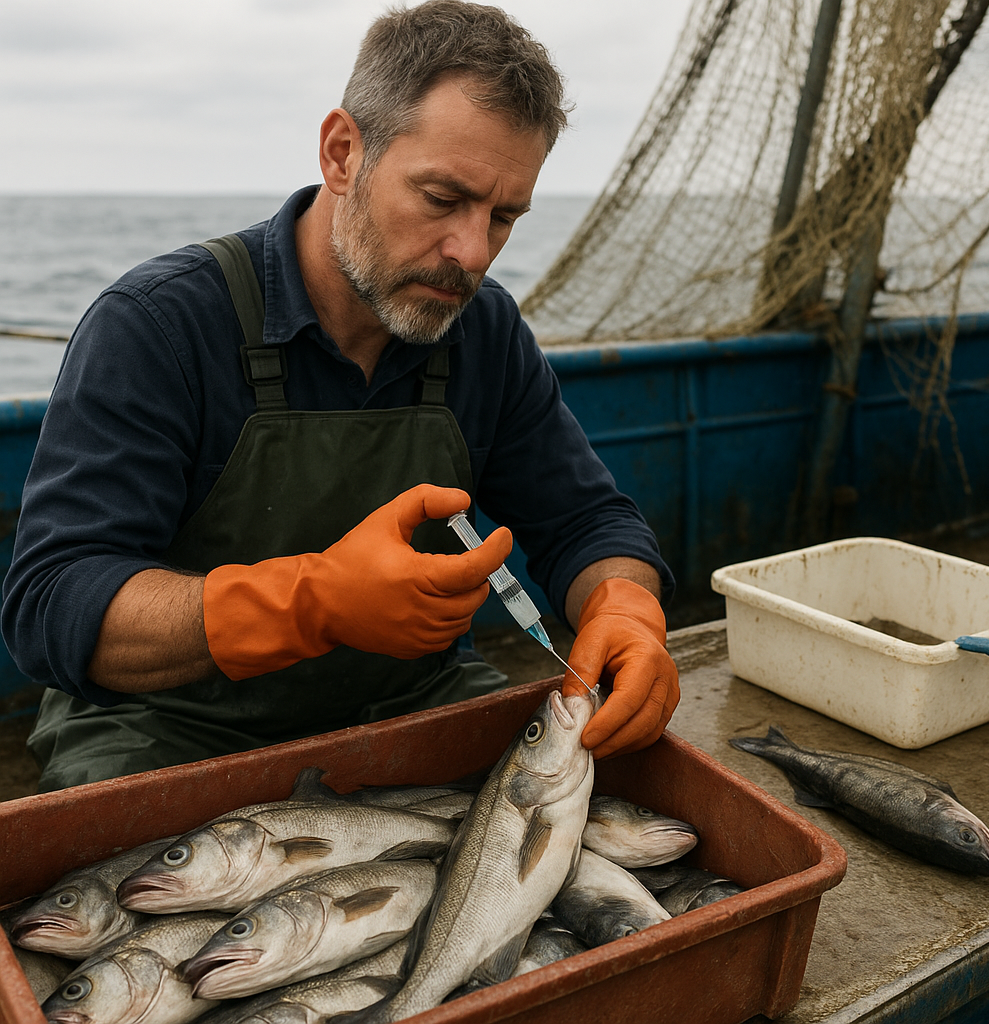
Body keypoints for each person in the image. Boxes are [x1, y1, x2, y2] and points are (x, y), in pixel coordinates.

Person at [1, 0, 679, 792]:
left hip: (407, 701)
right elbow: (54, 605)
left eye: (503, 217)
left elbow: (585, 520)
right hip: (163, 728)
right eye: (440, 198)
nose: (470, 253)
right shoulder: (159, 325)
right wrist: (309, 603)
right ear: (342, 152)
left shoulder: (482, 329)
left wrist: (627, 606)